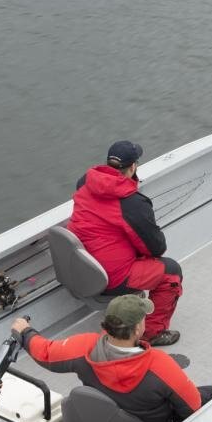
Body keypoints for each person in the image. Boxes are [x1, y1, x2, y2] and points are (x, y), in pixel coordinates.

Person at [11, 295, 212, 422]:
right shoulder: (160, 365)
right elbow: (193, 408)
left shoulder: (83, 347)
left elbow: (45, 352)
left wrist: (25, 331)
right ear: (137, 329)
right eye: (144, 319)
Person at [67, 140, 183, 346]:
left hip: (82, 266)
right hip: (111, 277)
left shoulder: (85, 182)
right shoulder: (133, 203)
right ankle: (152, 334)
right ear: (133, 167)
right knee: (171, 271)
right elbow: (156, 248)